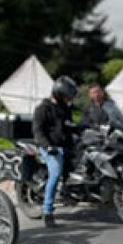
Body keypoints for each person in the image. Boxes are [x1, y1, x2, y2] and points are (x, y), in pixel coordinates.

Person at [32, 75, 78, 228]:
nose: (68, 99)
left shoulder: (64, 108)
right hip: (51, 147)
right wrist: (48, 146)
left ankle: (70, 191)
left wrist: (83, 127)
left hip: (66, 144)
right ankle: (47, 212)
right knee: (56, 172)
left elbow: (68, 125)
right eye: (66, 96)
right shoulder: (42, 109)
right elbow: (38, 132)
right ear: (58, 94)